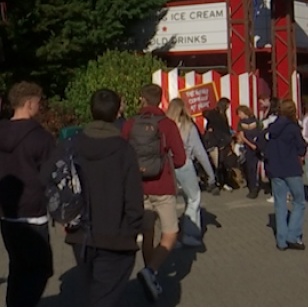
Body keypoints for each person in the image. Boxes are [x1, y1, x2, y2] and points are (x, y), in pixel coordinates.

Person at [62, 89, 144, 307]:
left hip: (81, 234)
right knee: (105, 297)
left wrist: (66, 219)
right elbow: (133, 196)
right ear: (118, 113)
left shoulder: (73, 144)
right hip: (115, 235)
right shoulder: (123, 150)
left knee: (94, 294)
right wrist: (133, 228)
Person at [0, 82, 55, 307]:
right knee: (40, 270)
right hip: (33, 216)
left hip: (6, 215)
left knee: (18, 268)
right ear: (30, 103)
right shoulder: (40, 138)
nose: (39, 107)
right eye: (39, 103)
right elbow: (52, 176)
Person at [121, 84, 186, 303]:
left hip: (138, 187)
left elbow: (122, 152)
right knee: (170, 232)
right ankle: (151, 272)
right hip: (162, 186)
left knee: (146, 233)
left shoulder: (130, 123)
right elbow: (180, 159)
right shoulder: (166, 124)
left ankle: (149, 273)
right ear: (160, 100)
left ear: (142, 99)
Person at [166, 98, 216, 247]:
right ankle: (190, 233)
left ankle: (171, 237)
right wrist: (210, 173)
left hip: (168, 165)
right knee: (193, 198)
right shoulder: (188, 126)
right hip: (184, 164)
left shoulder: (165, 126)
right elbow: (199, 151)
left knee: (169, 202)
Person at [266, 99, 307, 251]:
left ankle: (281, 240)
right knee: (299, 201)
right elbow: (301, 148)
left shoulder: (271, 127)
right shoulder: (292, 128)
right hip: (291, 169)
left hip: (276, 169)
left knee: (280, 204)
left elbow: (262, 143)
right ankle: (293, 235)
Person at [202, 103, 235, 191]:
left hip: (216, 143)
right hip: (219, 142)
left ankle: (218, 182)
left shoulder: (214, 118)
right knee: (220, 164)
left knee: (218, 164)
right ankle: (219, 182)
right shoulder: (218, 117)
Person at [235, 105, 262, 199]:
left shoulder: (255, 120)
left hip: (258, 145)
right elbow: (242, 136)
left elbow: (261, 131)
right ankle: (253, 188)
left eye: (240, 113)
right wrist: (250, 144)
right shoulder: (241, 123)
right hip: (249, 147)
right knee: (251, 168)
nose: (239, 115)